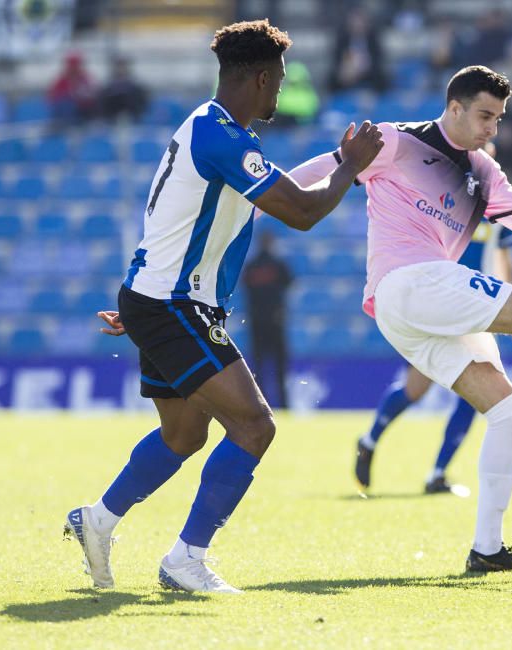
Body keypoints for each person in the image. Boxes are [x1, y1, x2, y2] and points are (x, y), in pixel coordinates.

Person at [262, 65, 512, 574]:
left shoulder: (486, 171)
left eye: (499, 117)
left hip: (405, 310)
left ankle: (486, 550)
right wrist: (258, 203)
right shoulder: (395, 140)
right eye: (485, 115)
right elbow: (319, 169)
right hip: (409, 282)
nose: (494, 127)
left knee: (509, 414)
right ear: (454, 107)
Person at [64, 19, 383, 594]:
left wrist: (138, 307)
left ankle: (99, 520)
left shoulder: (209, 130)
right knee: (254, 425)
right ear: (260, 77)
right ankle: (186, 559)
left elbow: (173, 217)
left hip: (161, 301)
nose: (282, 92)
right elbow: (304, 213)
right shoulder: (224, 139)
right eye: (280, 81)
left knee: (185, 436)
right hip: (172, 305)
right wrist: (351, 165)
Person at [355, 219, 512, 496]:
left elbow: (504, 259)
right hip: (434, 304)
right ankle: (369, 441)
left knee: (477, 394)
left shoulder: (496, 210)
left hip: (470, 310)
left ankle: (437, 474)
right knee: (415, 390)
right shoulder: (442, 199)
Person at [241, 229, 293, 408]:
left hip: (257, 322)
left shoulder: (252, 265)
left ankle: (259, 404)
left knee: (259, 367)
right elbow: (289, 283)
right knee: (279, 367)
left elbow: (245, 288)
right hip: (275, 321)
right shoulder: (277, 264)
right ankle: (284, 404)